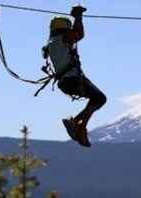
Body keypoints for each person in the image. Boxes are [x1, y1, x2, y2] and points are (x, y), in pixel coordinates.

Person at [44, 5, 107, 147]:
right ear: (65, 28)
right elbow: (79, 34)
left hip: (66, 82)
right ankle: (80, 126)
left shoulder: (52, 43)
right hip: (72, 79)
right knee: (100, 98)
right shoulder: (62, 38)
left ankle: (77, 124)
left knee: (98, 98)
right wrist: (78, 17)